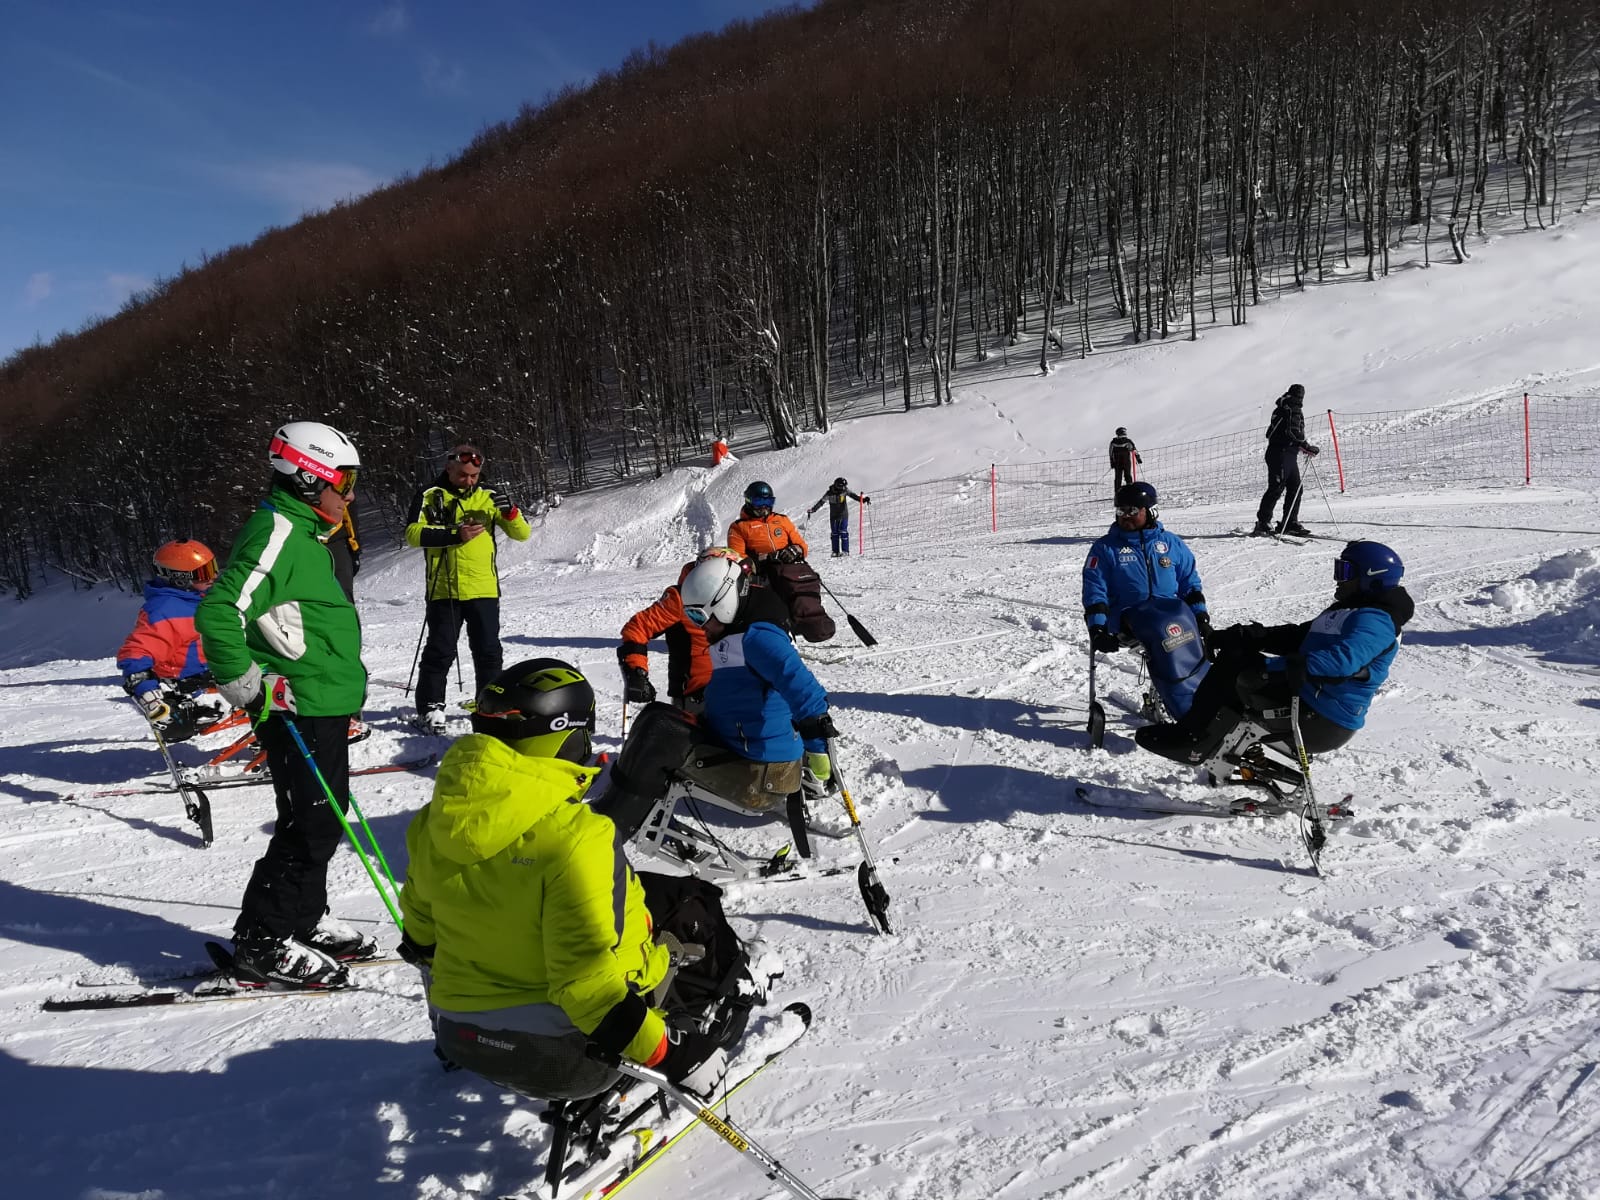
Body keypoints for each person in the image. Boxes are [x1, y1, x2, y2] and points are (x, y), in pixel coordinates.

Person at [398, 659, 759, 1102]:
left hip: (459, 1034)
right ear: (566, 736)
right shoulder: (577, 839)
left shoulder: (433, 823)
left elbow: (420, 938)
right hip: (565, 1059)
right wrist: (673, 1053)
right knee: (691, 906)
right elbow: (586, 985)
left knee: (648, 888)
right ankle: (719, 996)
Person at [195, 421, 374, 989]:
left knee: (315, 813)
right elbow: (221, 611)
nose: (349, 494)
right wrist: (245, 680)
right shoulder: (276, 532)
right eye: (342, 481)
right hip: (297, 706)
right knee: (315, 823)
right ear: (305, 478)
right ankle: (266, 942)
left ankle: (300, 919)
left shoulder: (307, 534)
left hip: (320, 701)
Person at [1136, 540, 1413, 764]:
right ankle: (1206, 739)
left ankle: (1194, 740)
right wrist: (1244, 636)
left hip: (1323, 717)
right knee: (1237, 657)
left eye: (1346, 572)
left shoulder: (1377, 620)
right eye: (1338, 569)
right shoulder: (1349, 611)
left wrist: (1271, 669)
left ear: (1371, 579)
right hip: (1309, 698)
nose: (1337, 579)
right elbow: (1297, 636)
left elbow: (1342, 662)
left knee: (1240, 672)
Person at [677, 554, 836, 813]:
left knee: (660, 744)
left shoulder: (757, 639)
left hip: (763, 775)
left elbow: (804, 690)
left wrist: (818, 751)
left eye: (699, 616)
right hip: (740, 749)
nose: (699, 626)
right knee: (663, 726)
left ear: (724, 603)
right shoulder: (735, 632)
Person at [404, 444, 532, 734]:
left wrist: (510, 511)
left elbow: (522, 534)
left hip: (483, 588)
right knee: (440, 651)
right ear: (449, 468)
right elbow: (412, 533)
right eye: (463, 475)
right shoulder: (430, 495)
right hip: (444, 589)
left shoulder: (489, 494)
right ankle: (430, 709)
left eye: (474, 475)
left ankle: (489, 706)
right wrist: (454, 534)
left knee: (488, 652)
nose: (469, 481)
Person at [117, 539, 228, 742]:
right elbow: (137, 651)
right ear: (179, 579)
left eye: (213, 568)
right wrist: (147, 692)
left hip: (217, 670)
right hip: (196, 683)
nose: (213, 576)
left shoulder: (199, 598)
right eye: (204, 573)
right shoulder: (167, 609)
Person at [1082, 482, 1212, 655]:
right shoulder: (1105, 548)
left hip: (1169, 618)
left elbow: (1188, 583)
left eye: (1132, 511)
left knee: (1191, 658)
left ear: (1151, 511)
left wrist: (1200, 616)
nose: (1125, 516)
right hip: (1128, 624)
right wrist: (1097, 628)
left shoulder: (1171, 543)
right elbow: (1095, 589)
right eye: (1121, 511)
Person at [617, 547, 749, 713]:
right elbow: (638, 627)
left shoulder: (741, 597)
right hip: (698, 693)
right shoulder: (680, 597)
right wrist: (637, 671)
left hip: (741, 685)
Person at [1254, 384, 1320, 537]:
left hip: (1286, 452)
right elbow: (1293, 431)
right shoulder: (1291, 408)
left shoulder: (1282, 407)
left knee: (1295, 487)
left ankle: (1289, 522)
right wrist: (1305, 446)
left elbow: (1278, 432)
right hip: (1281, 453)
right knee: (1277, 488)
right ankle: (1264, 522)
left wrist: (1299, 446)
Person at [725, 481, 807, 572]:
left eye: (768, 502)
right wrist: (761, 559)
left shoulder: (782, 520)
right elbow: (737, 557)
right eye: (759, 502)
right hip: (762, 574)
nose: (764, 506)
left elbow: (801, 545)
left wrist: (796, 550)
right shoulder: (739, 527)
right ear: (749, 501)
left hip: (789, 569)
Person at [806, 477, 871, 558]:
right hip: (833, 516)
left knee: (843, 531)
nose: (843, 488)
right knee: (834, 533)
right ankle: (835, 551)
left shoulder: (845, 491)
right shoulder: (829, 493)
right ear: (837, 486)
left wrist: (863, 500)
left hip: (843, 514)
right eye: (842, 486)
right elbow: (821, 502)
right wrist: (813, 510)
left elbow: (854, 496)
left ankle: (845, 551)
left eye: (844, 486)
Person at [323, 498, 360, 603]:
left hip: (336, 541)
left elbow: (347, 509)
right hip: (334, 543)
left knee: (344, 594)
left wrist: (355, 548)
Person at [1108, 427, 1142, 492]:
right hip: (1126, 462)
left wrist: (1112, 462)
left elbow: (1110, 453)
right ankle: (1130, 491)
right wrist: (1138, 458)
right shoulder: (1128, 441)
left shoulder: (1113, 442)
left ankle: (1117, 492)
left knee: (1118, 478)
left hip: (1117, 463)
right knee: (1128, 476)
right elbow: (1134, 450)